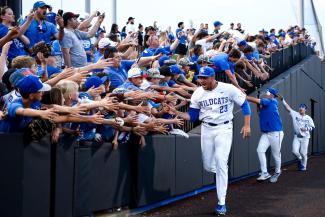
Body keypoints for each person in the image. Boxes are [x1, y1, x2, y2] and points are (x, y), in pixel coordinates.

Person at [168, 66, 251, 215]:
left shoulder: (228, 88)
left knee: (220, 162)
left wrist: (247, 125)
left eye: (204, 78)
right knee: (208, 165)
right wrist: (177, 113)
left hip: (224, 128)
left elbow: (245, 104)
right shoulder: (198, 94)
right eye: (200, 78)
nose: (201, 80)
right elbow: (192, 117)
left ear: (213, 77)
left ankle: (221, 203)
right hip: (206, 129)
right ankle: (221, 172)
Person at [247, 88, 284, 183]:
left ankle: (277, 172)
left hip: (276, 132)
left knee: (276, 155)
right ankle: (265, 173)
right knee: (260, 150)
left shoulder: (271, 101)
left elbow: (256, 100)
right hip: (266, 133)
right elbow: (259, 113)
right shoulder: (267, 104)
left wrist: (243, 97)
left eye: (268, 92)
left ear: (272, 95)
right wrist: (258, 104)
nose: (266, 94)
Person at [278, 94, 315, 171]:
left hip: (305, 137)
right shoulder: (295, 114)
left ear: (305, 109)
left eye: (303, 107)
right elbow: (288, 108)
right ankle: (300, 159)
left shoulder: (308, 118)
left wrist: (306, 129)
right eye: (300, 107)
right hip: (297, 136)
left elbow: (313, 127)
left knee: (303, 153)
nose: (301, 108)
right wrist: (283, 100)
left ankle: (303, 167)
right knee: (294, 151)